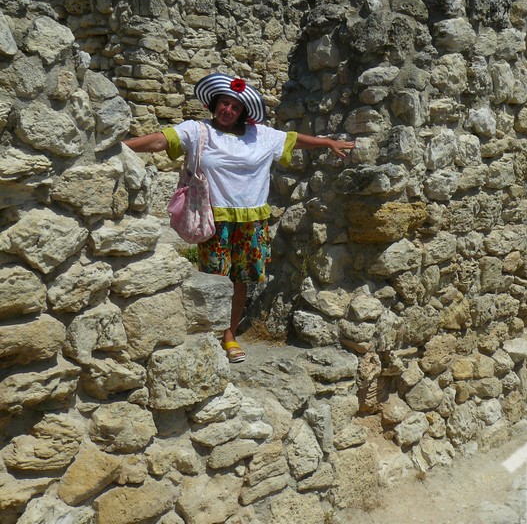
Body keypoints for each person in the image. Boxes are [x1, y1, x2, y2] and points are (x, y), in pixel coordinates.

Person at [124, 72, 354, 363]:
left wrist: (327, 143)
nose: (228, 110)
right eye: (224, 103)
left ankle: (229, 334)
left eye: (235, 106)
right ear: (214, 104)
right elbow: (161, 141)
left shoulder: (261, 135)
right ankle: (209, 333)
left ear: (243, 112)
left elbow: (294, 140)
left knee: (241, 280)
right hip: (214, 219)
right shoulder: (198, 131)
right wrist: (121, 146)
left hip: (252, 221)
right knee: (214, 277)